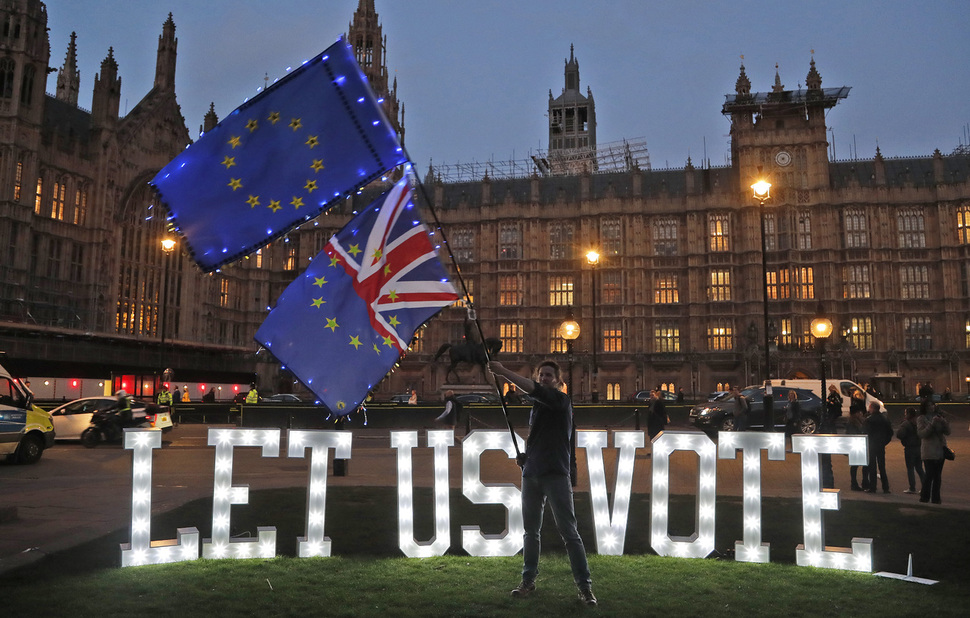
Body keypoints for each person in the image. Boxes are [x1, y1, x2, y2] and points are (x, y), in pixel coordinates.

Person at [487, 360, 595, 606]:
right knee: (530, 532)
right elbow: (540, 436)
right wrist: (527, 456)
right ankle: (527, 581)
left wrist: (503, 372)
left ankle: (585, 586)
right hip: (532, 473)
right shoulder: (536, 407)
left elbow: (536, 391)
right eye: (542, 375)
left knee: (569, 532)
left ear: (557, 380)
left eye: (549, 375)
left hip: (556, 474)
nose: (544, 378)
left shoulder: (561, 401)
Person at [917, 402, 951, 504]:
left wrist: (943, 422)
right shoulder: (921, 419)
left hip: (940, 450)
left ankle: (936, 498)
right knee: (929, 475)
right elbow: (922, 434)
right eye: (929, 405)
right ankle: (925, 497)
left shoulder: (939, 416)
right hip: (929, 451)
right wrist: (932, 424)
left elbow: (948, 432)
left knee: (937, 476)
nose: (931, 407)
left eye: (933, 405)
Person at [863, 401, 893, 493]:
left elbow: (865, 432)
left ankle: (873, 487)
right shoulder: (884, 419)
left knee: (872, 467)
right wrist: (884, 442)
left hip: (872, 445)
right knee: (882, 467)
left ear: (872, 408)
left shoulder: (869, 420)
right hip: (880, 445)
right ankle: (885, 487)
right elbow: (890, 432)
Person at [896, 407, 925, 494]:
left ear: (908, 414)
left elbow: (900, 434)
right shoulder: (918, 422)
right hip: (919, 447)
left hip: (910, 448)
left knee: (910, 469)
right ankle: (925, 486)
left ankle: (912, 487)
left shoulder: (906, 423)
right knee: (919, 468)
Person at [845, 407, 869, 491]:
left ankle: (858, 483)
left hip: (857, 445)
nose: (861, 414)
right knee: (856, 465)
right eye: (859, 412)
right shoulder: (853, 422)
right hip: (856, 445)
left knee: (857, 465)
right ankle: (855, 483)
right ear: (856, 413)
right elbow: (853, 434)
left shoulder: (856, 421)